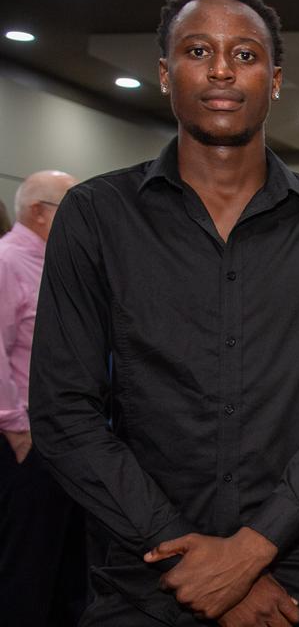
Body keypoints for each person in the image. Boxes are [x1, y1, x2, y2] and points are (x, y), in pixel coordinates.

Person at [28, 0, 299, 626]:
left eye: (244, 55)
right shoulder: (96, 216)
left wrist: (251, 551)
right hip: (143, 584)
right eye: (198, 51)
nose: (222, 70)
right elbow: (63, 413)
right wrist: (199, 567)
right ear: (165, 74)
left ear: (273, 80)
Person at [0, 169, 83, 626]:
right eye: (68, 210)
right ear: (38, 212)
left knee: (62, 561)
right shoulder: (8, 261)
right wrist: (15, 427)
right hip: (25, 442)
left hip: (60, 436)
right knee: (26, 566)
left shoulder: (53, 263)